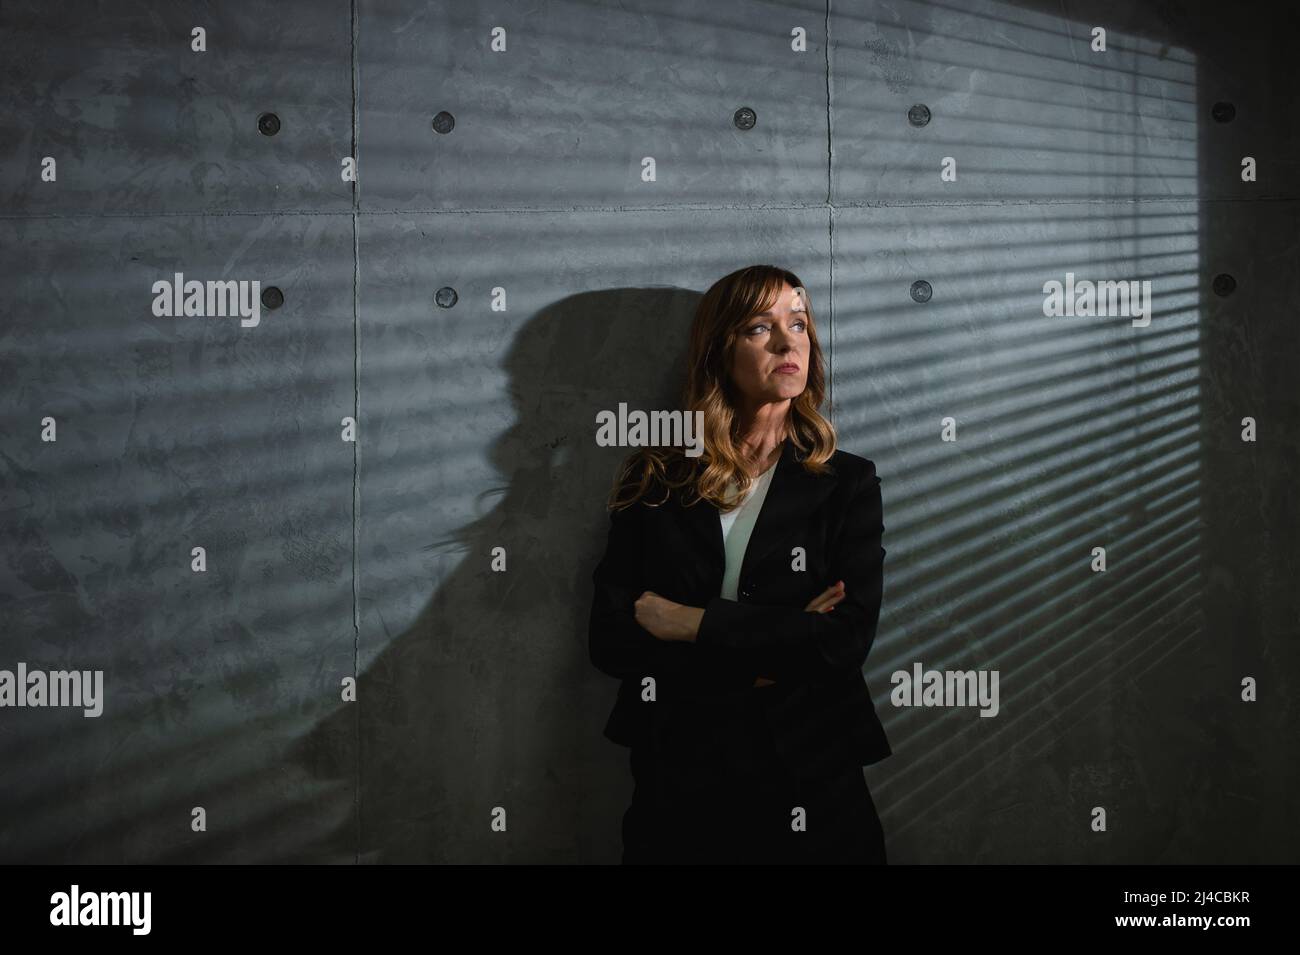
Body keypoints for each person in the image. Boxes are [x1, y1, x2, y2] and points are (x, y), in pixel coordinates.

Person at [588, 264, 892, 864]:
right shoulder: (657, 475)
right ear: (718, 350)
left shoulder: (846, 483)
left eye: (799, 324)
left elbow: (842, 642)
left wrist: (693, 622)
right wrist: (771, 652)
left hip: (811, 767)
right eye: (760, 327)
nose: (788, 343)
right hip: (680, 772)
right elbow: (613, 637)